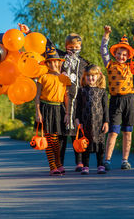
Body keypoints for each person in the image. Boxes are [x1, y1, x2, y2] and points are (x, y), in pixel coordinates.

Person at [18, 23, 89, 172]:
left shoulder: (84, 63)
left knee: (77, 131)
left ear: (81, 46)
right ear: (66, 46)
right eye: (70, 46)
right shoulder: (59, 56)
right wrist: (29, 32)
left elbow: (92, 74)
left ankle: (80, 162)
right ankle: (58, 163)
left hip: (77, 101)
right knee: (60, 134)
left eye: (77, 46)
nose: (74, 49)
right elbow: (46, 44)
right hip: (60, 101)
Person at [100, 25, 134, 170]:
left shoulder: (131, 66)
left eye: (124, 55)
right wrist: (106, 35)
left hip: (129, 100)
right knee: (113, 132)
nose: (121, 56)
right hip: (116, 100)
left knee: (127, 132)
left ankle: (125, 160)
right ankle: (107, 160)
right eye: (118, 53)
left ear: (128, 56)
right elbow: (103, 51)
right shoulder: (110, 65)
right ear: (115, 53)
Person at [35, 45, 71, 175]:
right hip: (45, 108)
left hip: (58, 109)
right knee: (49, 138)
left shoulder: (64, 78)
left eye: (55, 61)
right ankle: (52, 167)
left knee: (56, 139)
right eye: (50, 62)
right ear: (47, 64)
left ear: (59, 62)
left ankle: (59, 163)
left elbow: (67, 97)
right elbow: (37, 96)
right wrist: (38, 112)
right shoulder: (43, 77)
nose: (53, 64)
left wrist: (68, 113)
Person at [75, 65, 109, 175]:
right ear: (84, 77)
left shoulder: (102, 91)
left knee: (100, 144)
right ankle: (85, 166)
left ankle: (100, 165)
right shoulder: (82, 91)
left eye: (93, 76)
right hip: (86, 122)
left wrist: (106, 122)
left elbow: (105, 108)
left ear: (98, 76)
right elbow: (78, 107)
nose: (91, 78)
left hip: (99, 122)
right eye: (88, 76)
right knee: (85, 143)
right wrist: (77, 120)